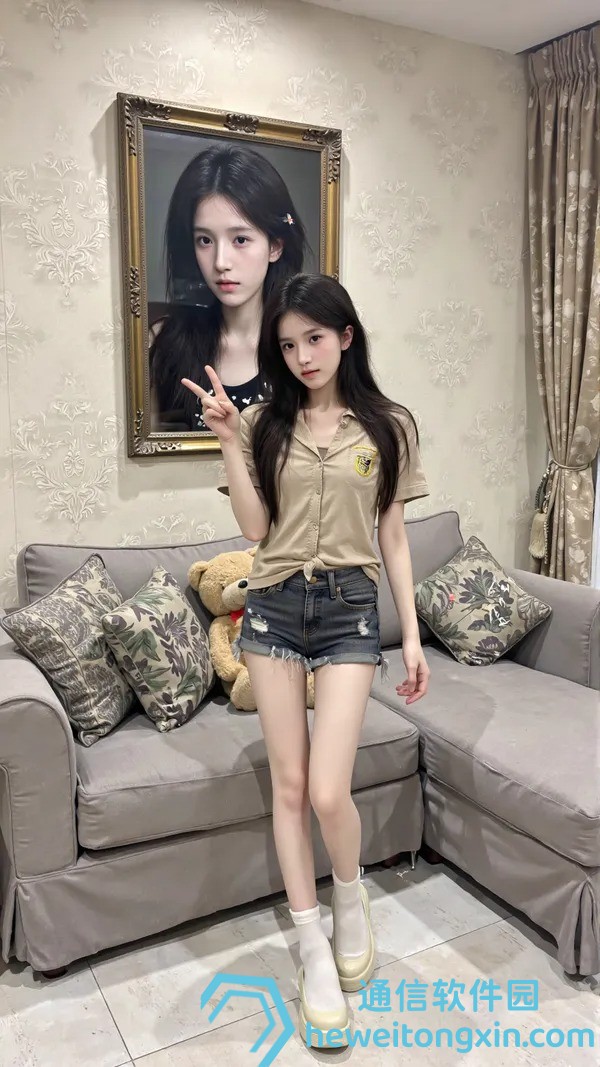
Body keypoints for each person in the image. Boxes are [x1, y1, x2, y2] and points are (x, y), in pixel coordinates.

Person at [182, 273, 430, 1048]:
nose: (302, 356)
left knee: (328, 790)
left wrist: (411, 634)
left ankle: (350, 898)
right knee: (289, 789)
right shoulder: (264, 423)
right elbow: (257, 529)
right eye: (287, 345)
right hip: (275, 609)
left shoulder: (389, 426)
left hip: (350, 610)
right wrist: (230, 439)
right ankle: (312, 946)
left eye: (314, 339)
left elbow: (393, 537)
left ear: (346, 336)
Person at [149, 143, 307, 430]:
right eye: (205, 240)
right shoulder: (165, 341)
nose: (220, 262)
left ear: (275, 246)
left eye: (240, 240)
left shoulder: (304, 348)